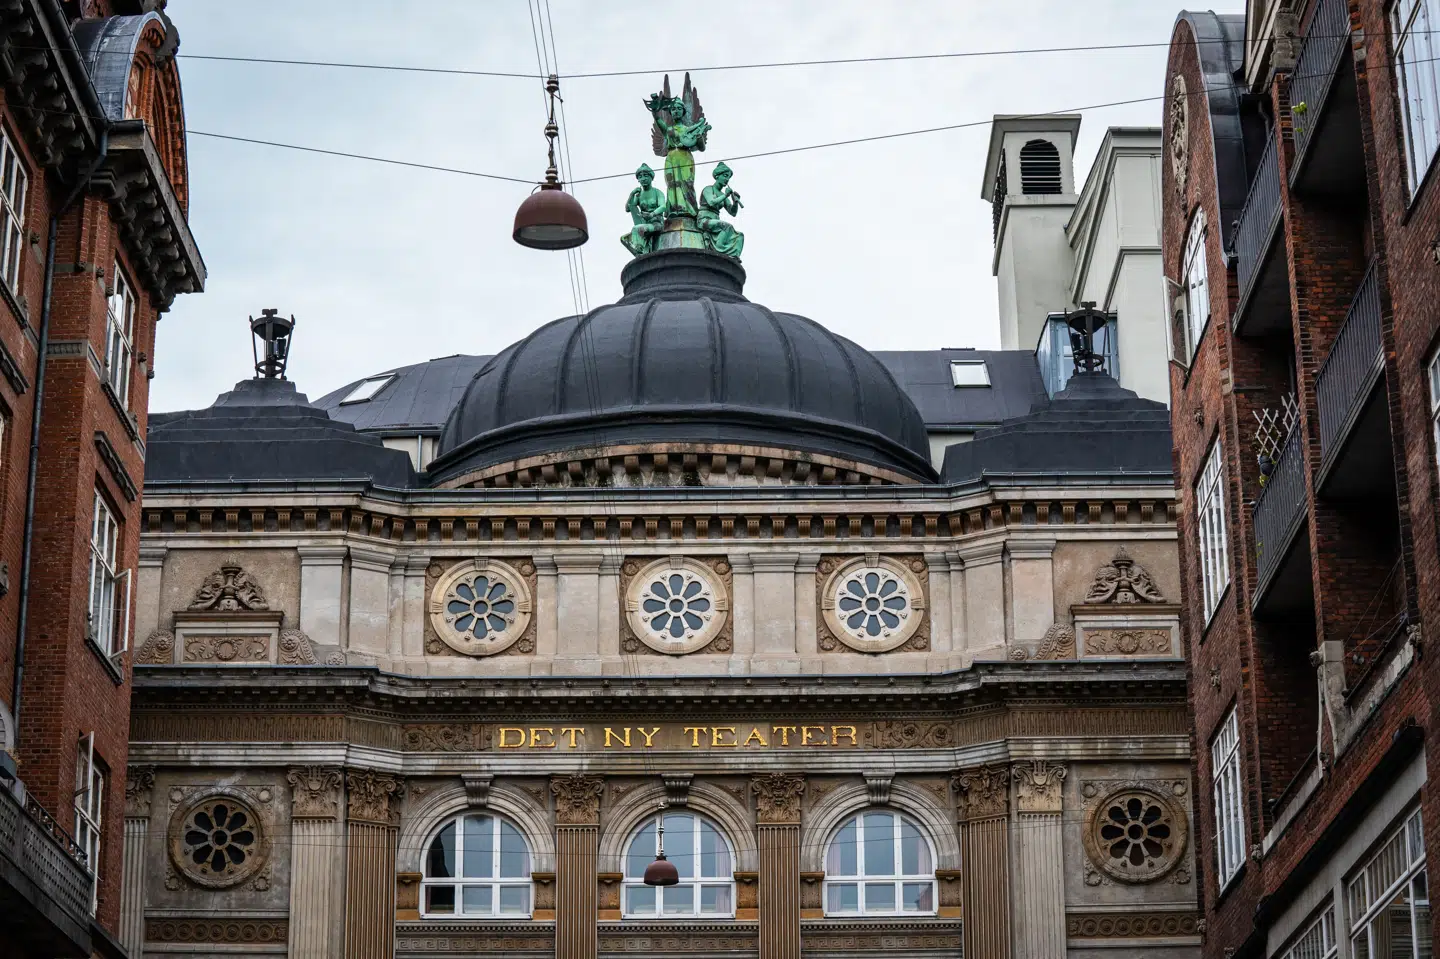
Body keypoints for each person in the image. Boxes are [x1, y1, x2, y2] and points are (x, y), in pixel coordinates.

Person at [698, 162, 744, 259]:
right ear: (717, 176)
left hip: (715, 223)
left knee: (739, 236)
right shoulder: (708, 189)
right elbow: (711, 202)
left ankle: (733, 256)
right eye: (725, 176)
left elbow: (733, 212)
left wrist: (735, 202)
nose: (727, 179)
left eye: (728, 177)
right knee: (726, 227)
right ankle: (719, 249)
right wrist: (726, 195)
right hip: (704, 220)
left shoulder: (723, 195)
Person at [621, 163, 666, 256]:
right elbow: (628, 208)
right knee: (625, 239)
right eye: (640, 177)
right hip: (644, 223)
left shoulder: (657, 192)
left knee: (637, 229)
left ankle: (640, 252)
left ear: (651, 177)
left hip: (657, 224)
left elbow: (663, 206)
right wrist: (632, 194)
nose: (643, 179)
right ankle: (641, 254)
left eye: (646, 176)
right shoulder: (638, 195)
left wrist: (652, 214)